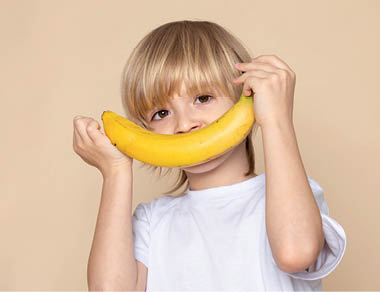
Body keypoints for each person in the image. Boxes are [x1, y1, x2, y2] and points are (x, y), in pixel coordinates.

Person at [73, 20, 347, 291]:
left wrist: (276, 119)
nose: (184, 124)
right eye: (161, 113)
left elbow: (294, 253)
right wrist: (116, 172)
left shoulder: (291, 193)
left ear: (245, 97)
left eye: (202, 98)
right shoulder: (152, 221)